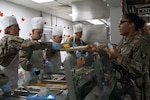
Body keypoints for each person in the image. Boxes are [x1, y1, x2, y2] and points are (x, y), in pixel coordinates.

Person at [0, 16, 61, 94]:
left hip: (9, 78)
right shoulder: (9, 40)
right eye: (16, 27)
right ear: (8, 29)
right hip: (4, 78)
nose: (19, 29)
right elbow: (29, 45)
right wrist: (50, 45)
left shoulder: (11, 40)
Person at [96, 13, 150, 100]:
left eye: (121, 22)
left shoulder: (142, 43)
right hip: (122, 89)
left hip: (135, 94)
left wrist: (118, 57)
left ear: (131, 24)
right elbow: (115, 54)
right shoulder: (124, 41)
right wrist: (98, 49)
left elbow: (141, 69)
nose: (118, 26)